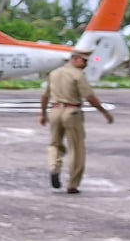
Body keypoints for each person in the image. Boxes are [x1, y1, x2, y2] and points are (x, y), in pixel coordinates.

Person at [39, 47, 115, 193]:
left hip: (54, 110)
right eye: (84, 61)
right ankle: (73, 184)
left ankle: (54, 167)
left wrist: (42, 114)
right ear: (75, 59)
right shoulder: (77, 75)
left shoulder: (54, 73)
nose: (86, 64)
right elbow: (89, 97)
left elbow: (45, 95)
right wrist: (104, 112)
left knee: (54, 144)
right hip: (72, 111)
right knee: (76, 148)